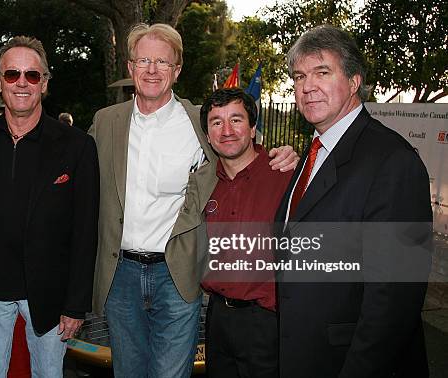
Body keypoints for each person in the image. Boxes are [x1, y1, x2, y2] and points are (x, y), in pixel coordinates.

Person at [89, 23, 298, 378]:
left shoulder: (199, 123)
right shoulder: (106, 122)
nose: (152, 70)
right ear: (130, 68)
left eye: (163, 62)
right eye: (143, 61)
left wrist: (281, 155)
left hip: (177, 273)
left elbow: (238, 147)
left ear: (177, 71)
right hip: (120, 275)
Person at [274, 25, 432, 377]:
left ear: (354, 81)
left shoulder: (393, 162)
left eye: (322, 72)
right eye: (299, 76)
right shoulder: (313, 154)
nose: (307, 86)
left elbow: (393, 301)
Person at [0, 35, 99, 378]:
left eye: (32, 75)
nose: (22, 83)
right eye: (12, 75)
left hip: (51, 294)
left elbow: (86, 230)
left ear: (45, 83)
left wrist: (75, 304)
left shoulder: (77, 146)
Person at [199, 88, 292, 378]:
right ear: (208, 134)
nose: (226, 130)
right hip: (217, 318)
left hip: (266, 321)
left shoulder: (286, 175)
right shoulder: (202, 183)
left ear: (253, 128)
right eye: (216, 122)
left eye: (236, 120)